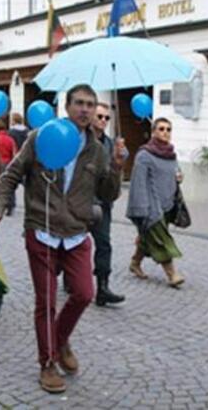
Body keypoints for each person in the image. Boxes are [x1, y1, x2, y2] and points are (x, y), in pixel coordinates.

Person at [0, 84, 125, 394]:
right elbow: (11, 175)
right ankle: (47, 363)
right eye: (79, 103)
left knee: (84, 293)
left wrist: (116, 166)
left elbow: (108, 194)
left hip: (76, 232)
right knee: (46, 301)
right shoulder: (40, 137)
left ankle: (59, 340)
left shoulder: (98, 149)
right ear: (67, 105)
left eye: (91, 104)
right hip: (42, 229)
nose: (86, 109)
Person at [127, 117, 185, 288]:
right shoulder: (144, 155)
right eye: (161, 129)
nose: (165, 132)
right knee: (161, 239)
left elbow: (175, 172)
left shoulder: (171, 154)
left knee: (147, 237)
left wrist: (179, 178)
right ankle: (172, 274)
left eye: (168, 129)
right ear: (153, 132)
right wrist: (141, 208)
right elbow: (138, 183)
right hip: (150, 206)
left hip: (167, 204)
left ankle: (135, 263)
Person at [89, 102, 125, 306]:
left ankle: (102, 287)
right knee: (73, 243)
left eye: (106, 118)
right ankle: (69, 276)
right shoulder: (80, 140)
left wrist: (119, 162)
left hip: (102, 203)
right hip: (81, 201)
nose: (103, 121)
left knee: (104, 244)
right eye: (99, 116)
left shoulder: (111, 144)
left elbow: (115, 173)